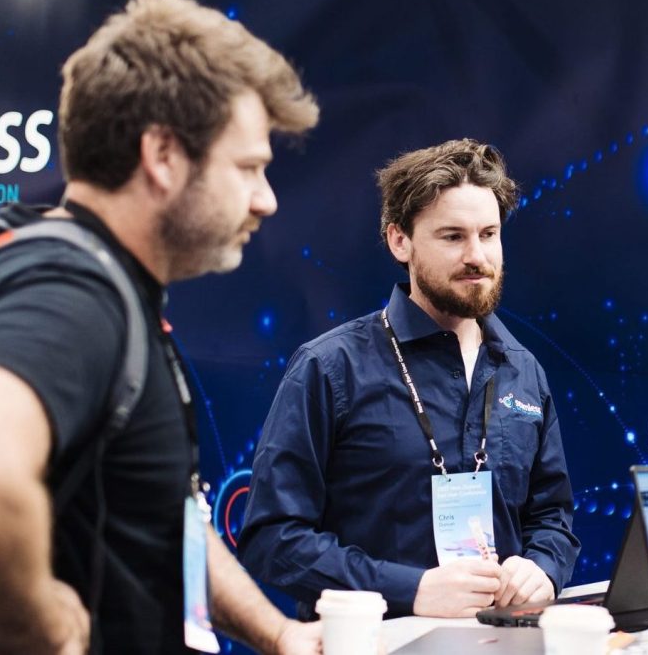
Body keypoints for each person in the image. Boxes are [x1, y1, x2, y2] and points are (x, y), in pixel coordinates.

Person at [0, 0, 321, 654]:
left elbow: (158, 513)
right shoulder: (72, 295)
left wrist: (280, 634)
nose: (266, 200)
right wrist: (45, 629)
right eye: (249, 168)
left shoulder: (82, 273)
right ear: (163, 155)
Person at [238, 139, 580, 620]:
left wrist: (542, 568)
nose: (476, 256)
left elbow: (552, 517)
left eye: (488, 234)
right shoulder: (329, 366)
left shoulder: (523, 371)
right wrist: (409, 589)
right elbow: (273, 538)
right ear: (400, 240)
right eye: (452, 236)